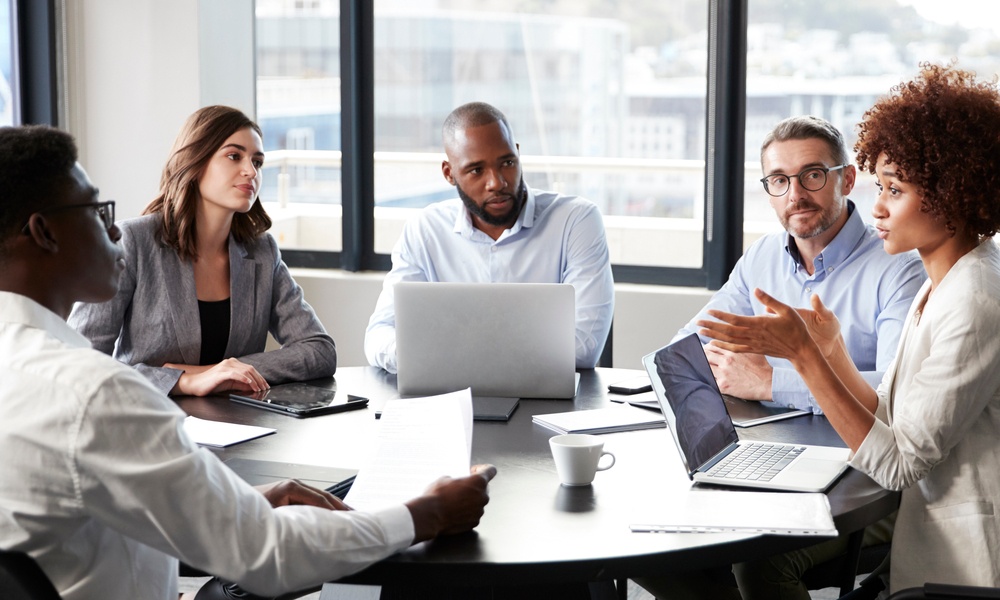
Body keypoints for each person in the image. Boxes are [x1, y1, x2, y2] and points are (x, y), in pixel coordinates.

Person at [0, 124, 497, 600]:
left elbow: (89, 511)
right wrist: (426, 514)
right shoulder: (94, 392)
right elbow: (268, 556)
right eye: (95, 209)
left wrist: (242, 504)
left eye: (256, 160)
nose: (112, 226)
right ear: (43, 232)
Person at [699, 63, 1000, 593]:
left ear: (954, 194)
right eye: (879, 185)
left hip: (965, 560)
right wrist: (833, 352)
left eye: (895, 190)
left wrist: (807, 360)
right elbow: (891, 408)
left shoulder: (975, 299)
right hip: (926, 531)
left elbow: (899, 463)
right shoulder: (943, 283)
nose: (877, 207)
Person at [68, 105, 336, 397]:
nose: (250, 171)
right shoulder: (133, 241)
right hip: (148, 423)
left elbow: (319, 350)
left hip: (241, 427)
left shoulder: (262, 251)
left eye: (257, 162)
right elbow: (81, 363)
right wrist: (183, 381)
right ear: (195, 162)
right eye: (234, 156)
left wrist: (222, 371)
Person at [675, 115, 925, 413]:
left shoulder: (901, 269)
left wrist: (770, 383)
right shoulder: (761, 257)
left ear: (847, 180)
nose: (795, 195)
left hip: (857, 450)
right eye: (780, 180)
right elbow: (687, 348)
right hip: (766, 440)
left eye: (813, 175)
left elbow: (895, 392)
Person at [364, 101, 614, 373]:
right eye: (476, 170)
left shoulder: (575, 220)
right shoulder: (425, 230)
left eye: (507, 162)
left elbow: (584, 347)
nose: (497, 182)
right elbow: (380, 334)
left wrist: (440, 355)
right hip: (450, 400)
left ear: (518, 154)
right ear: (449, 173)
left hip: (548, 406)